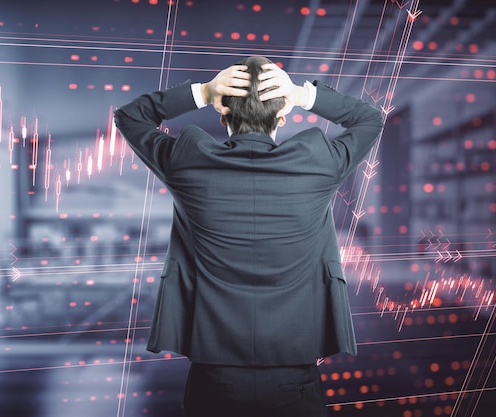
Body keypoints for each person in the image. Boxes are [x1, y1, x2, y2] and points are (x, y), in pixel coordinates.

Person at [114, 56, 384, 416]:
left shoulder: (186, 160)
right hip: (295, 373)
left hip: (214, 375)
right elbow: (370, 119)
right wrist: (304, 95)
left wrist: (203, 92)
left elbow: (129, 116)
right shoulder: (319, 163)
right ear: (282, 115)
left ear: (222, 114)